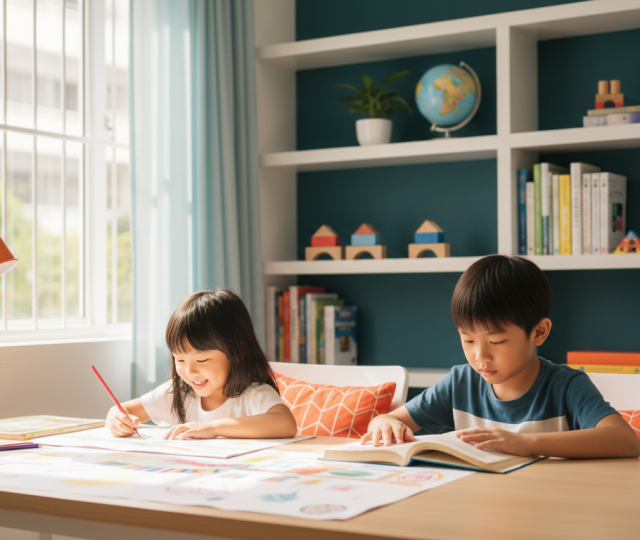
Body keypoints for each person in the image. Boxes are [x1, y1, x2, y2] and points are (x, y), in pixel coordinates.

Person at [362, 255, 640, 459]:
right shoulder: (460, 383)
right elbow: (389, 419)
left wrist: (527, 444)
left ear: (539, 332)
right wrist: (386, 423)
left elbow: (625, 441)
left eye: (496, 341)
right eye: (468, 340)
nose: (480, 355)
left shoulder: (566, 385)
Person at [106, 289, 297, 440]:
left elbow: (286, 424)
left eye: (202, 360)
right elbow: (124, 410)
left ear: (238, 351)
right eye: (179, 360)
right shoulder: (178, 394)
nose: (189, 371)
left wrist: (212, 428)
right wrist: (117, 419)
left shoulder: (253, 394)